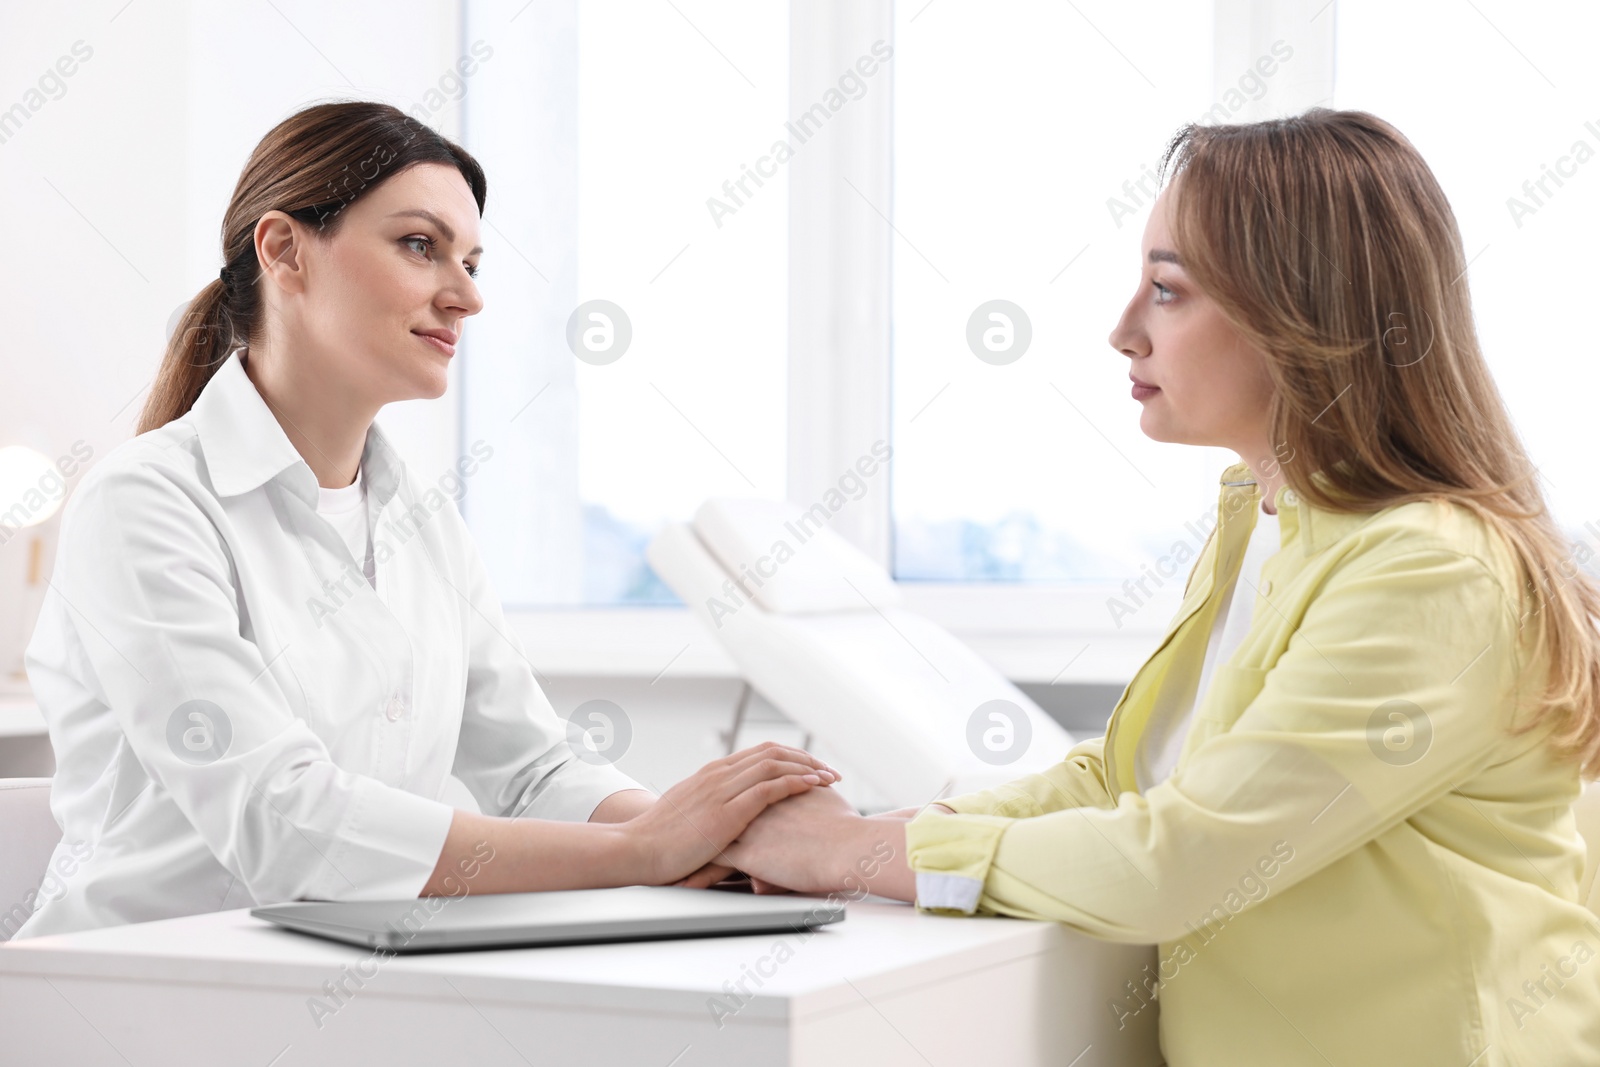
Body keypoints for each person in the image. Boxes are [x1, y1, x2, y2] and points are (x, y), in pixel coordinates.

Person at [710, 109, 1600, 1064]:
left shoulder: (1432, 570)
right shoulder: (1266, 524)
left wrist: (849, 856)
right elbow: (1131, 775)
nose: (1123, 330)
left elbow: (1185, 858)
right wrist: (893, 829)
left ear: (1303, 318)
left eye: (1167, 291)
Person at [12, 101, 837, 940]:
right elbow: (283, 820)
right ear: (284, 250)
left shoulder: (421, 519)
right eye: (421, 246)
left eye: (473, 261)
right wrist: (643, 851)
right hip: (137, 986)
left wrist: (709, 838)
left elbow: (533, 765)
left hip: (345, 975)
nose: (469, 295)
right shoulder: (145, 505)